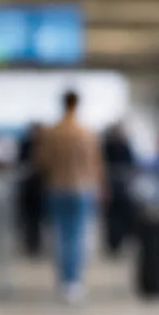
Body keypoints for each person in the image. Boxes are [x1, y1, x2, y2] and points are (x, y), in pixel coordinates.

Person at [35, 90, 105, 303]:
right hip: (83, 188)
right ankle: (74, 281)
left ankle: (63, 280)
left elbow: (42, 161)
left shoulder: (52, 133)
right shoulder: (87, 133)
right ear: (77, 104)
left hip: (57, 187)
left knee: (60, 234)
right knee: (78, 235)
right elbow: (96, 164)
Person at [102, 123, 138, 257]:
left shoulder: (125, 148)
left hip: (123, 190)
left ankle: (118, 244)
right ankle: (112, 246)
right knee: (111, 220)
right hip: (111, 190)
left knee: (122, 219)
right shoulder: (107, 147)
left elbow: (132, 165)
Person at [16, 123, 47, 258]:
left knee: (38, 220)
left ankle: (36, 245)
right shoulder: (25, 145)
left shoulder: (45, 146)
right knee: (28, 221)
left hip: (41, 191)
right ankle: (30, 245)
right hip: (28, 190)